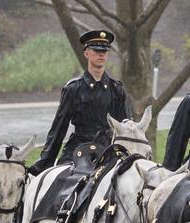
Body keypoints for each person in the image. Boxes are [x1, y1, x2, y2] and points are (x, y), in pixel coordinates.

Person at [31, 29, 133, 173]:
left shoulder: (117, 89)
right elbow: (59, 128)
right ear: (86, 53)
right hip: (78, 148)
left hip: (108, 150)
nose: (101, 54)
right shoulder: (74, 89)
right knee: (63, 181)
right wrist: (45, 162)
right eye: (96, 50)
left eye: (104, 51)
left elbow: (126, 128)